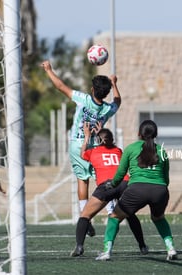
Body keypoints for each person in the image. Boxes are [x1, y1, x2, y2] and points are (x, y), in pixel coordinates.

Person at [41, 60, 121, 236]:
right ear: (106, 93)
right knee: (103, 179)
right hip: (97, 148)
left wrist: (48, 70)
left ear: (92, 89)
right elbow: (118, 101)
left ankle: (85, 216)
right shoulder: (107, 109)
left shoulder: (83, 99)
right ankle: (111, 211)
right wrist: (114, 83)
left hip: (79, 146)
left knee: (81, 180)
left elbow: (61, 86)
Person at [95, 120, 177, 261]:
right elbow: (166, 179)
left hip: (137, 190)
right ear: (155, 134)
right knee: (158, 218)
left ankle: (106, 252)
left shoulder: (131, 148)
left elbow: (120, 174)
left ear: (139, 133)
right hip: (160, 190)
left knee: (114, 216)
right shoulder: (162, 151)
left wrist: (112, 185)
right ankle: (171, 248)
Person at [70, 122, 148, 257]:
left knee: (85, 216)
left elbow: (83, 154)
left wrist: (88, 136)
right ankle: (142, 246)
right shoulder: (118, 151)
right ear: (112, 140)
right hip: (125, 183)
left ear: (98, 140)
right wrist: (102, 132)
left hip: (107, 186)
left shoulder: (93, 152)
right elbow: (110, 144)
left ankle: (79, 247)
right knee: (130, 215)